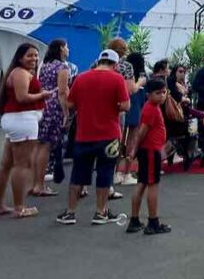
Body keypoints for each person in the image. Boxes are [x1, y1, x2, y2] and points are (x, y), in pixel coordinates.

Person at [55, 49, 130, 226]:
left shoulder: (81, 78)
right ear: (115, 64)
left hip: (84, 133)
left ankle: (70, 212)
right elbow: (126, 105)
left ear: (98, 61)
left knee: (78, 173)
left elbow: (71, 104)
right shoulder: (117, 79)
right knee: (105, 173)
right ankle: (100, 212)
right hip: (109, 135)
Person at [0, 43, 52, 219]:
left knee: (7, 164)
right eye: (29, 55)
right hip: (23, 120)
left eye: (35, 55)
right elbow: (22, 97)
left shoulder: (19, 72)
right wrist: (42, 95)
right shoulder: (20, 73)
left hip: (18, 119)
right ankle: (19, 207)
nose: (34, 59)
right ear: (20, 57)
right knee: (22, 165)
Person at [125, 77, 172, 235]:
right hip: (151, 151)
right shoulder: (151, 109)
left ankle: (135, 220)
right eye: (158, 93)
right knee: (152, 185)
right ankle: (153, 222)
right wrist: (133, 149)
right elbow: (142, 131)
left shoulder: (152, 107)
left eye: (164, 92)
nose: (162, 96)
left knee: (143, 183)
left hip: (149, 150)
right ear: (149, 94)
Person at [32, 39, 70, 198]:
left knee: (39, 144)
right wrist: (66, 112)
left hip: (41, 103)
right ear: (61, 48)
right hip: (54, 106)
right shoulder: (62, 67)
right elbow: (62, 91)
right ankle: (40, 185)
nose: (68, 50)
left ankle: (35, 183)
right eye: (66, 47)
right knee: (46, 146)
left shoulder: (44, 65)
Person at [117, 52, 147, 186]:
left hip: (122, 106)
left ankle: (116, 172)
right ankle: (127, 173)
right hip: (135, 107)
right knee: (132, 140)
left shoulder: (121, 71)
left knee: (119, 139)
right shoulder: (140, 76)